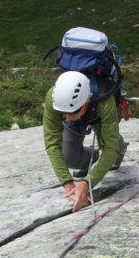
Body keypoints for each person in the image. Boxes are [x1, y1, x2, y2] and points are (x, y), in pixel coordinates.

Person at [43, 71, 127, 212]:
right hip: (82, 110)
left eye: (72, 113)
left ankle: (122, 147)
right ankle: (92, 157)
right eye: (63, 114)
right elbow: (52, 144)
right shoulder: (54, 99)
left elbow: (110, 148)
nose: (67, 119)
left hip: (101, 112)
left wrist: (87, 184)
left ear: (85, 101)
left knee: (113, 149)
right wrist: (69, 185)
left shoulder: (105, 100)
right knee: (69, 157)